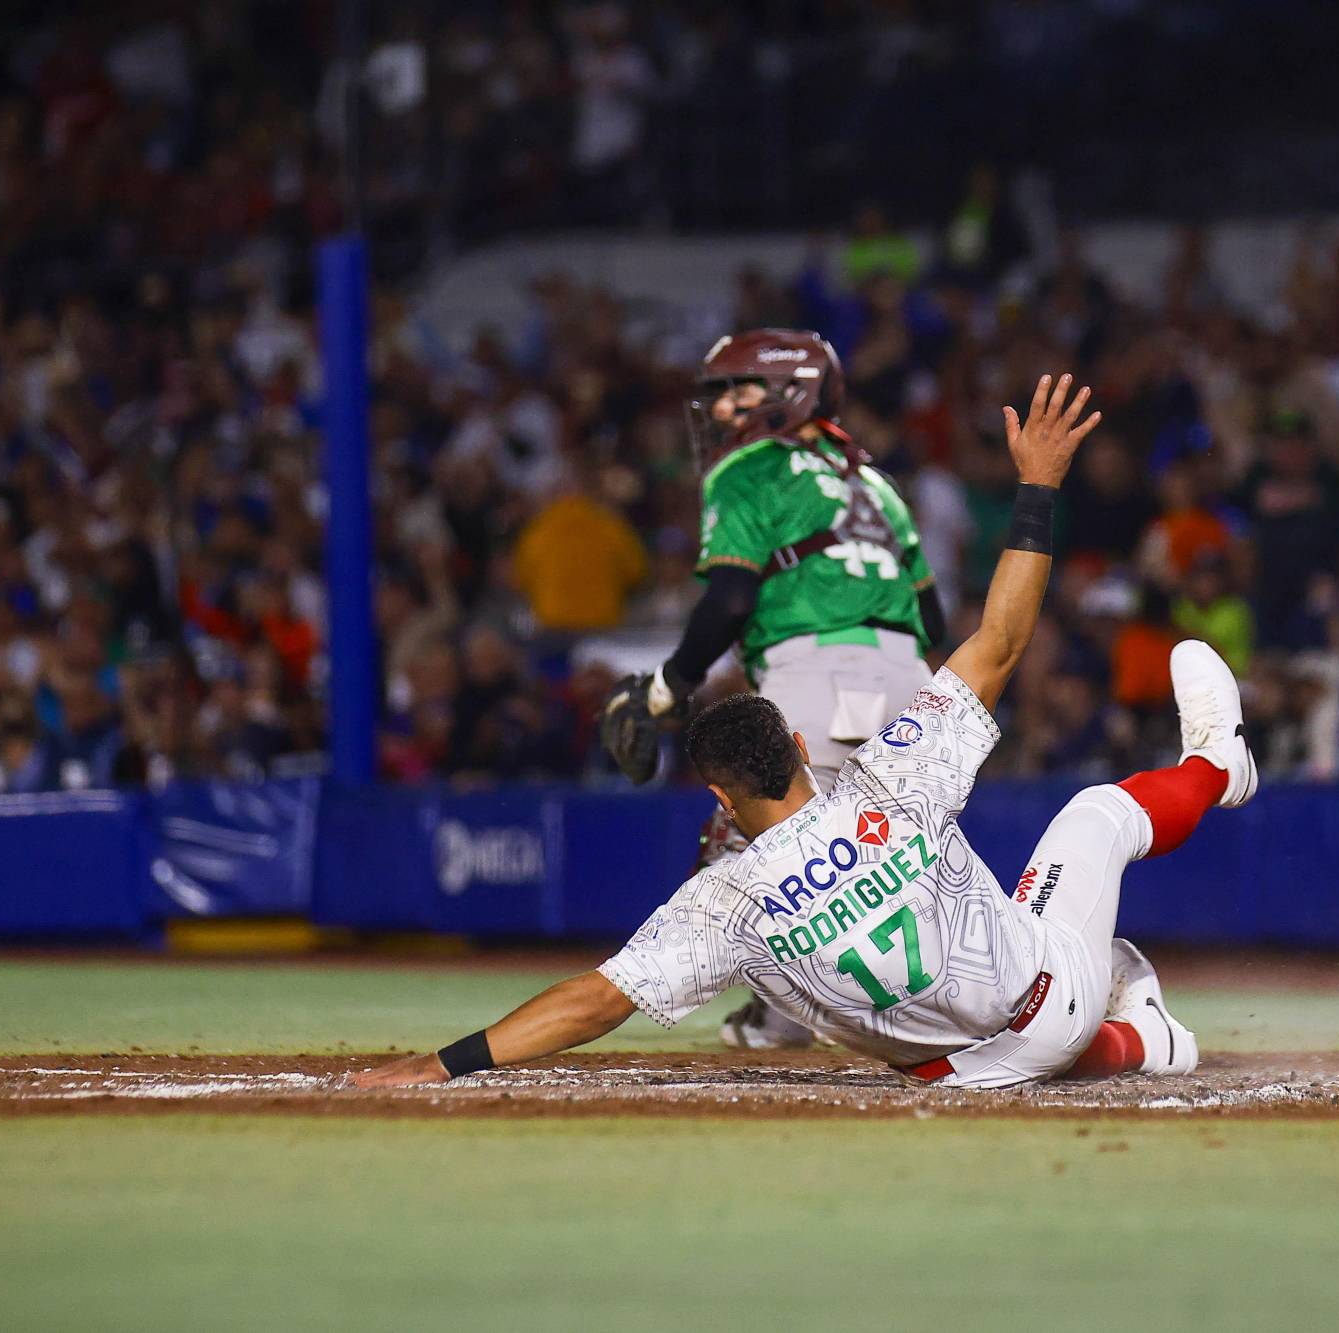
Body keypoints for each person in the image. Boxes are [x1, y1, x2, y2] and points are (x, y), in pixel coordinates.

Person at [356, 373, 1257, 1092]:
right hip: (1046, 995)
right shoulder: (890, 781)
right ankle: (1219, 768)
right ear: (796, 742)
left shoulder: (726, 904)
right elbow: (1001, 640)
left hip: (966, 1075)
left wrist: (442, 1062)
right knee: (1099, 813)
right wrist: (1037, 488)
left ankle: (1139, 1041)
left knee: (1016, 1037)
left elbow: (593, 1000)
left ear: (718, 795)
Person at [599, 327, 944, 1048]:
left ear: (794, 393)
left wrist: (669, 686)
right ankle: (950, 1011)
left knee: (756, 847)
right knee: (900, 860)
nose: (724, 408)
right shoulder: (877, 483)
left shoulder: (749, 470)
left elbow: (729, 599)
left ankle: (750, 1007)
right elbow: (933, 613)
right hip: (911, 678)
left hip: (811, 672)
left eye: (740, 389)